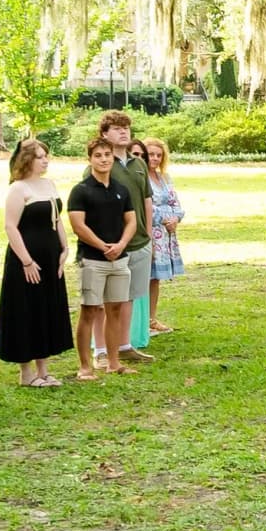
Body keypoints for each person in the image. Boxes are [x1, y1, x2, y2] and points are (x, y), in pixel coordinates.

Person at [0, 135, 73, 387]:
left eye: (45, 156)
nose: (45, 161)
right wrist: (26, 261)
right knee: (28, 309)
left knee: (46, 308)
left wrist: (65, 247)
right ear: (27, 160)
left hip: (50, 256)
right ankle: (26, 372)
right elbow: (10, 226)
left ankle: (44, 369)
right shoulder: (19, 188)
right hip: (27, 258)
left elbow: (57, 219)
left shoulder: (48, 184)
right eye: (39, 157)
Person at [67, 135, 136, 379]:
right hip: (93, 260)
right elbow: (78, 225)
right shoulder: (81, 190)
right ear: (90, 159)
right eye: (98, 155)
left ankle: (113, 362)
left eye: (107, 155)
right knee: (90, 310)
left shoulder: (121, 189)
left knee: (115, 308)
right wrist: (103, 246)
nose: (104, 159)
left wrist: (121, 244)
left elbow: (131, 221)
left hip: (120, 259)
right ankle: (85, 366)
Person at [101, 114, 156, 359]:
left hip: (140, 241)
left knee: (132, 295)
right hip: (114, 241)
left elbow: (147, 200)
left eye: (126, 128)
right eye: (116, 128)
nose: (123, 132)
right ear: (104, 134)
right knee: (109, 298)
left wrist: (149, 235)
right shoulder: (102, 163)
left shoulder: (139, 164)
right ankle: (102, 349)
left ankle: (124, 346)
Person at [144, 138, 185, 330]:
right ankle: (139, 321)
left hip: (167, 233)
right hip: (151, 231)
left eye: (158, 155)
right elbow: (145, 207)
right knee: (143, 277)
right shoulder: (140, 177)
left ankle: (151, 318)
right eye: (151, 154)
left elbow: (175, 203)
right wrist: (165, 218)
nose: (155, 158)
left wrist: (175, 218)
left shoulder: (165, 178)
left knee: (155, 278)